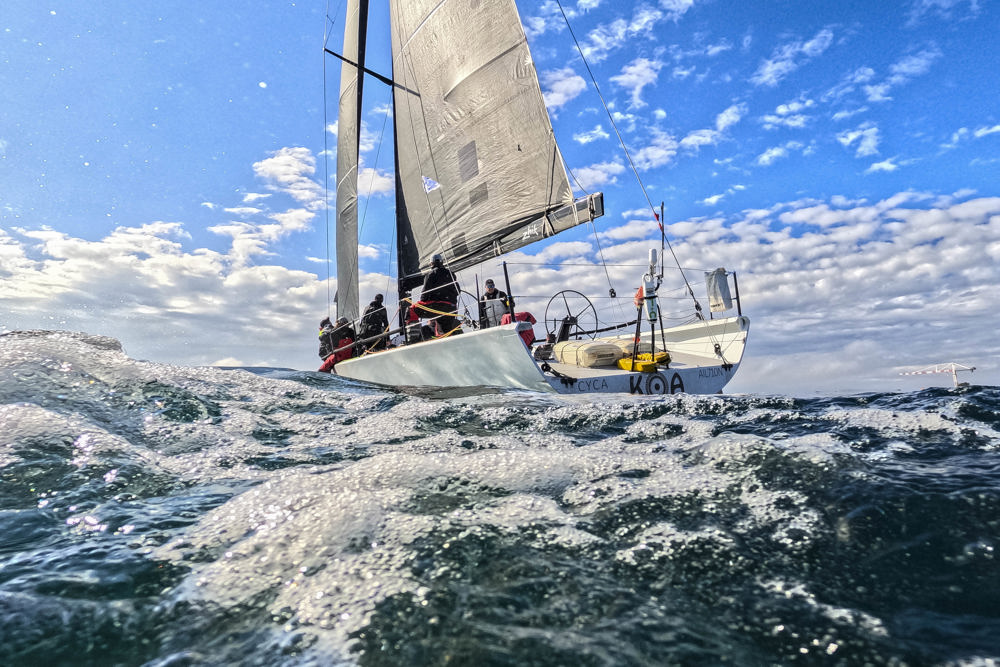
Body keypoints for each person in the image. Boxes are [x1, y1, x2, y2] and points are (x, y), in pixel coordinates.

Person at [416, 254, 462, 336]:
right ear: (442, 262)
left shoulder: (431, 274)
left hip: (437, 307)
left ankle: (413, 340)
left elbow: (424, 295)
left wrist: (424, 302)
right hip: (451, 307)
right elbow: (458, 291)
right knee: (446, 330)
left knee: (411, 310)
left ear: (431, 264)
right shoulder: (451, 274)